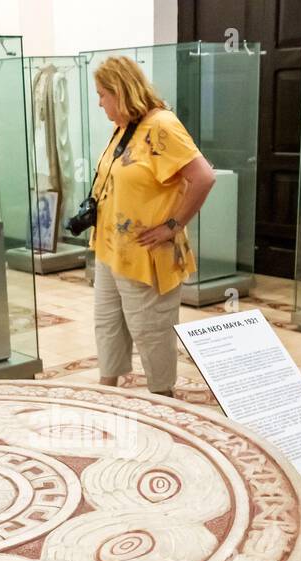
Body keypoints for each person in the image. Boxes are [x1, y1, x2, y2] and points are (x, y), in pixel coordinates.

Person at [89, 56, 215, 397]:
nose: (99, 102)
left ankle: (163, 397)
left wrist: (172, 226)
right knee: (108, 324)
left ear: (120, 90)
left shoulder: (162, 125)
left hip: (147, 251)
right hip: (111, 248)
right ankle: (106, 392)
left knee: (151, 332)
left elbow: (203, 177)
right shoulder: (125, 126)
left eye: (102, 94)